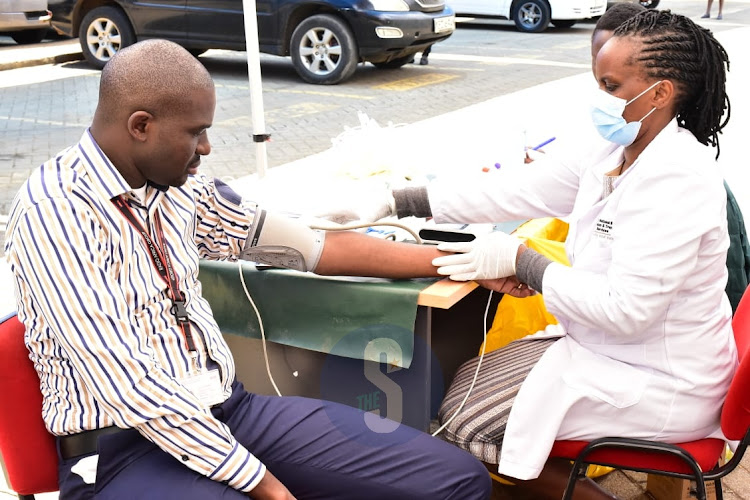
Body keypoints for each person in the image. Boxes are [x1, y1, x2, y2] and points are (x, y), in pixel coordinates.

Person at [3, 39, 493, 500]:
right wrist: (262, 482)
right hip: (120, 449)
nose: (208, 149)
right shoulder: (56, 214)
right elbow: (132, 386)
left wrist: (463, 261)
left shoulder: (176, 188)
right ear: (140, 126)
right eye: (196, 133)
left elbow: (309, 247)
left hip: (226, 412)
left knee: (455, 480)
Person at [320, 10, 736, 499]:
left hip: (663, 377)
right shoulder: (612, 153)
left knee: (464, 423)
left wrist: (524, 262)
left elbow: (627, 310)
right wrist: (399, 199)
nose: (599, 100)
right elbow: (515, 189)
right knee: (473, 376)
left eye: (611, 85)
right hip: (610, 349)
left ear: (660, 93)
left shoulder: (677, 178)